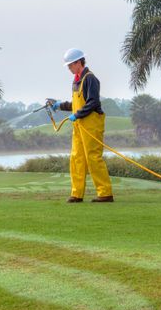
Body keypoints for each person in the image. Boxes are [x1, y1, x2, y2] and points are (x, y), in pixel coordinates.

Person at [48, 48, 114, 203]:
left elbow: (93, 102)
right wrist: (59, 105)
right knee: (76, 158)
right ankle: (76, 194)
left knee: (93, 158)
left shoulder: (90, 79)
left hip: (91, 125)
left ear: (79, 62)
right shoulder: (76, 80)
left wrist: (77, 114)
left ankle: (105, 193)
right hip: (79, 126)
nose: (69, 69)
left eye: (71, 65)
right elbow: (76, 104)